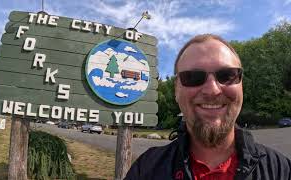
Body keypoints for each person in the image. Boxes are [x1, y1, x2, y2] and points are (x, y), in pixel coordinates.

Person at [124, 34, 291, 180]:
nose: (212, 90)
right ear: (176, 90)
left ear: (241, 85)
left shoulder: (281, 170)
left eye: (227, 75)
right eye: (193, 77)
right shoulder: (145, 169)